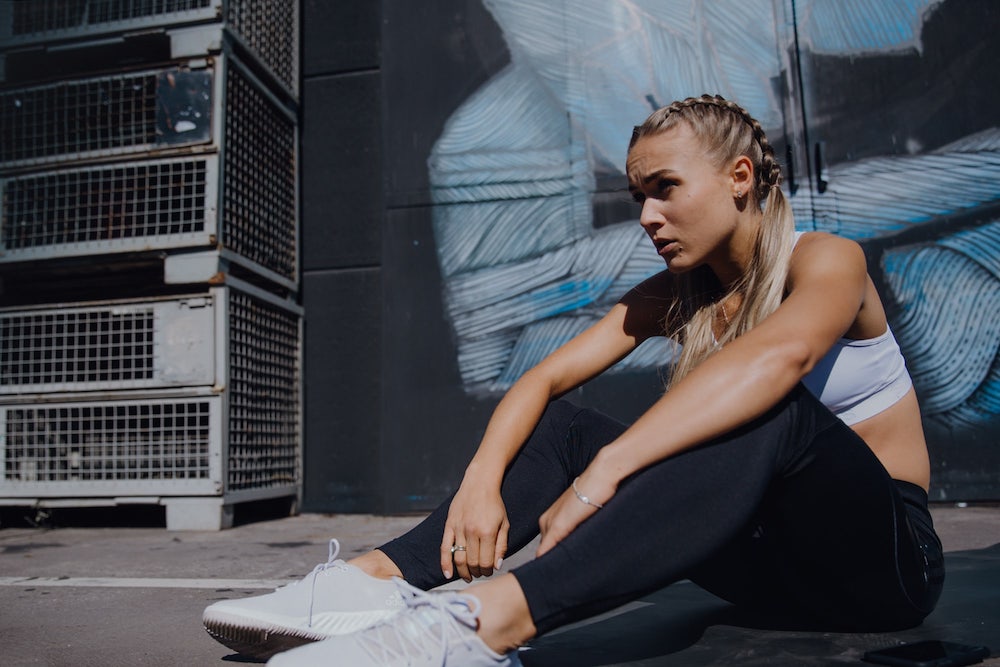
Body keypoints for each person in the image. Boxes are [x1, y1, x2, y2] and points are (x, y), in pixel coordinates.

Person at [203, 94, 944, 666]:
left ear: (739, 177)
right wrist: (480, 481)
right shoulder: (674, 296)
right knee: (569, 426)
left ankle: (480, 624)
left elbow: (777, 360)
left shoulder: (826, 260)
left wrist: (606, 472)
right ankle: (371, 579)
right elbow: (545, 380)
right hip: (764, 567)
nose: (648, 217)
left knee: (763, 403)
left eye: (665, 188)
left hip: (883, 566)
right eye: (637, 198)